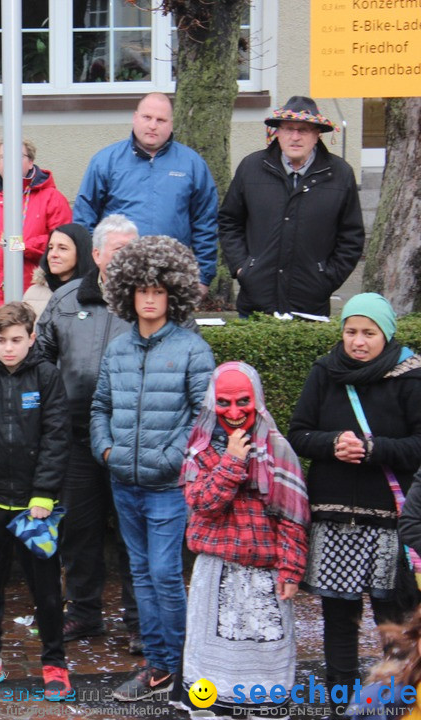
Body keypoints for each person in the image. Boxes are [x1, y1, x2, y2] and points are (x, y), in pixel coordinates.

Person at [89, 234, 214, 700]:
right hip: (124, 482)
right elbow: (100, 407)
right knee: (140, 575)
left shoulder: (191, 348)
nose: (149, 299)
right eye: (141, 291)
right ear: (128, 293)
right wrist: (107, 451)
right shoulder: (119, 349)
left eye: (158, 291)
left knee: (164, 574)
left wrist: (170, 459)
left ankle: (178, 664)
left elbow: (206, 418)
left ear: (172, 294)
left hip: (167, 488)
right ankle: (160, 666)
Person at [288, 293, 421, 691]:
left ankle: (396, 700)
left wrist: (373, 449)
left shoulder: (410, 376)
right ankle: (338, 697)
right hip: (335, 520)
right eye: (350, 331)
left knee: (395, 622)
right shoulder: (325, 371)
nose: (357, 341)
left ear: (387, 335)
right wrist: (331, 444)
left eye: (368, 333)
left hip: (391, 522)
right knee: (339, 619)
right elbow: (298, 433)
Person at [33, 215, 143, 652]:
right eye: (118, 250)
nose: (126, 258)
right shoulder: (64, 299)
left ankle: (139, 622)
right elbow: (40, 359)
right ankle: (83, 612)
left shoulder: (152, 298)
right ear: (96, 254)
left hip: (133, 439)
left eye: (132, 249)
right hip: (76, 437)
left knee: (135, 534)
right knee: (80, 530)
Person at [0, 301, 72, 700]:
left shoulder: (48, 377)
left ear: (32, 338)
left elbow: (57, 437)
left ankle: (55, 662)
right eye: (1, 340)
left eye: (17, 340)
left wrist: (44, 493)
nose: (8, 348)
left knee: (47, 591)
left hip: (34, 509)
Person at [179, 361, 310, 717]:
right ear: (212, 403)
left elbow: (293, 517)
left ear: (257, 400)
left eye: (242, 401)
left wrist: (291, 571)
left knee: (266, 670)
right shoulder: (201, 447)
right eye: (224, 402)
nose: (234, 412)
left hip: (267, 577)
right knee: (213, 672)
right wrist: (232, 462)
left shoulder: (279, 449)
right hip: (216, 572)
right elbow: (203, 503)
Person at [219, 96, 365, 318]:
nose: (295, 137)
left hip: (311, 304)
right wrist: (243, 268)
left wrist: (327, 278)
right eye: (288, 129)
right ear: (277, 133)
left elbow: (351, 237)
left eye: (303, 130)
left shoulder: (339, 174)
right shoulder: (251, 168)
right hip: (257, 302)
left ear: (317, 135)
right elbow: (229, 221)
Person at [73, 92, 219, 292]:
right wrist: (92, 267)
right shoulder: (106, 161)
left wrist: (203, 278)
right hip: (118, 275)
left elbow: (205, 224)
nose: (153, 125)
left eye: (161, 120)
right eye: (147, 118)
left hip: (172, 276)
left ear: (171, 124)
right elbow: (84, 217)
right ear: (135, 118)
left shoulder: (192, 164)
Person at [0, 139, 72, 321]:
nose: (11, 162)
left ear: (30, 161)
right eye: (4, 157)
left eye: (19, 156)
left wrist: (21, 245)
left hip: (33, 295)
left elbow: (64, 244)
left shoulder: (52, 198)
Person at [22, 223, 93, 320]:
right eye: (50, 248)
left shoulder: (96, 294)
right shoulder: (33, 293)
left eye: (62, 248)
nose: (53, 254)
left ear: (81, 253)